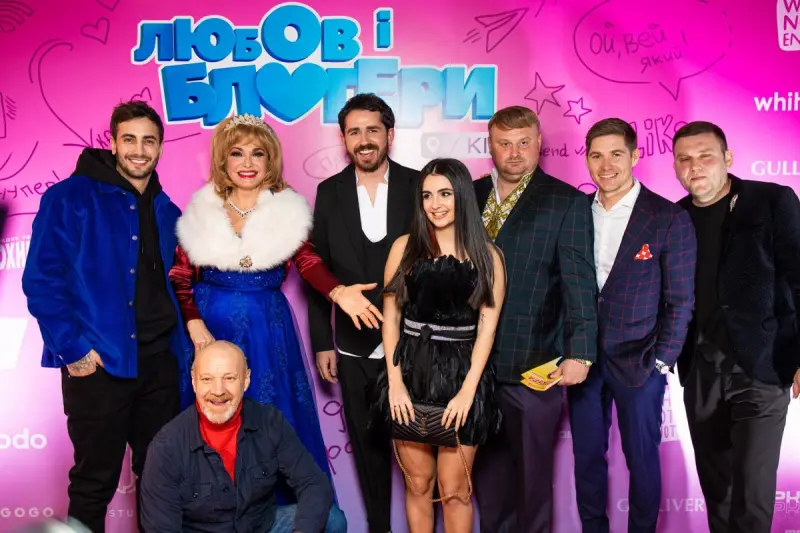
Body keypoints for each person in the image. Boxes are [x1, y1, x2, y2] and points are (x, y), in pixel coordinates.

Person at [168, 113, 369, 507]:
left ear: (270, 160)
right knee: (210, 421)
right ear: (223, 159)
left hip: (266, 331)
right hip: (210, 330)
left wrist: (339, 292)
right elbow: (180, 275)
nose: (247, 163)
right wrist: (194, 325)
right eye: (237, 153)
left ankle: (277, 516)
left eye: (257, 154)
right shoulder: (202, 209)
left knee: (269, 419)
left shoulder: (288, 210)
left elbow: (308, 262)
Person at [21, 100, 191, 533]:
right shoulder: (69, 197)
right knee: (93, 482)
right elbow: (41, 279)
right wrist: (74, 349)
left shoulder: (167, 209)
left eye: (149, 141)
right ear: (112, 143)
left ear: (160, 147)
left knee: (161, 481)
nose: (139, 150)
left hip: (159, 364)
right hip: (99, 364)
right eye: (129, 139)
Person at [470, 105, 599, 533]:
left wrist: (580, 352)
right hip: (472, 369)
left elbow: (579, 282)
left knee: (532, 482)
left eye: (523, 142)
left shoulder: (565, 201)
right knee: (488, 483)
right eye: (504, 143)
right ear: (490, 146)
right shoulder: (467, 195)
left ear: (539, 143)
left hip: (534, 363)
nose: (514, 152)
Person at [567, 118, 696, 533]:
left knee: (641, 460)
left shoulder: (667, 217)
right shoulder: (574, 212)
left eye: (616, 154)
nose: (606, 165)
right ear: (587, 159)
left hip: (640, 361)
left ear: (635, 156)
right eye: (596, 156)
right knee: (587, 457)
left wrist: (661, 361)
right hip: (583, 358)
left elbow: (680, 300)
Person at [672, 121, 800, 533]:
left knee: (752, 495)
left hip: (762, 366)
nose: (694, 166)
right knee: (719, 496)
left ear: (727, 158)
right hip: (700, 372)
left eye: (705, 156)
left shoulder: (771, 200)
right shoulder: (674, 218)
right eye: (684, 159)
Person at [307, 93, 420, 533]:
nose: (364, 139)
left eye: (373, 129)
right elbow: (317, 269)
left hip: (413, 348)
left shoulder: (419, 185)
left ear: (389, 134)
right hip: (352, 350)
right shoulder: (328, 192)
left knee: (420, 459)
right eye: (354, 132)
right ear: (344, 139)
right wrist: (323, 342)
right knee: (369, 456)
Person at [376, 158, 505, 532]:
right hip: (410, 370)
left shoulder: (488, 256)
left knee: (455, 490)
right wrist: (395, 384)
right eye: (427, 195)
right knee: (418, 483)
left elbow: (487, 330)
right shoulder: (404, 248)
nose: (435, 204)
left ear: (462, 196)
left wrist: (467, 393)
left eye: (445, 194)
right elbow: (391, 319)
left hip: (463, 374)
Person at [140, 340, 347, 533]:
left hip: (261, 526)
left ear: (246, 380)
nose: (218, 391)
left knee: (332, 519)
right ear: (194, 382)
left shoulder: (269, 421)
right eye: (207, 379)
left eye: (229, 378)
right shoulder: (166, 446)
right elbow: (161, 529)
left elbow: (313, 483)